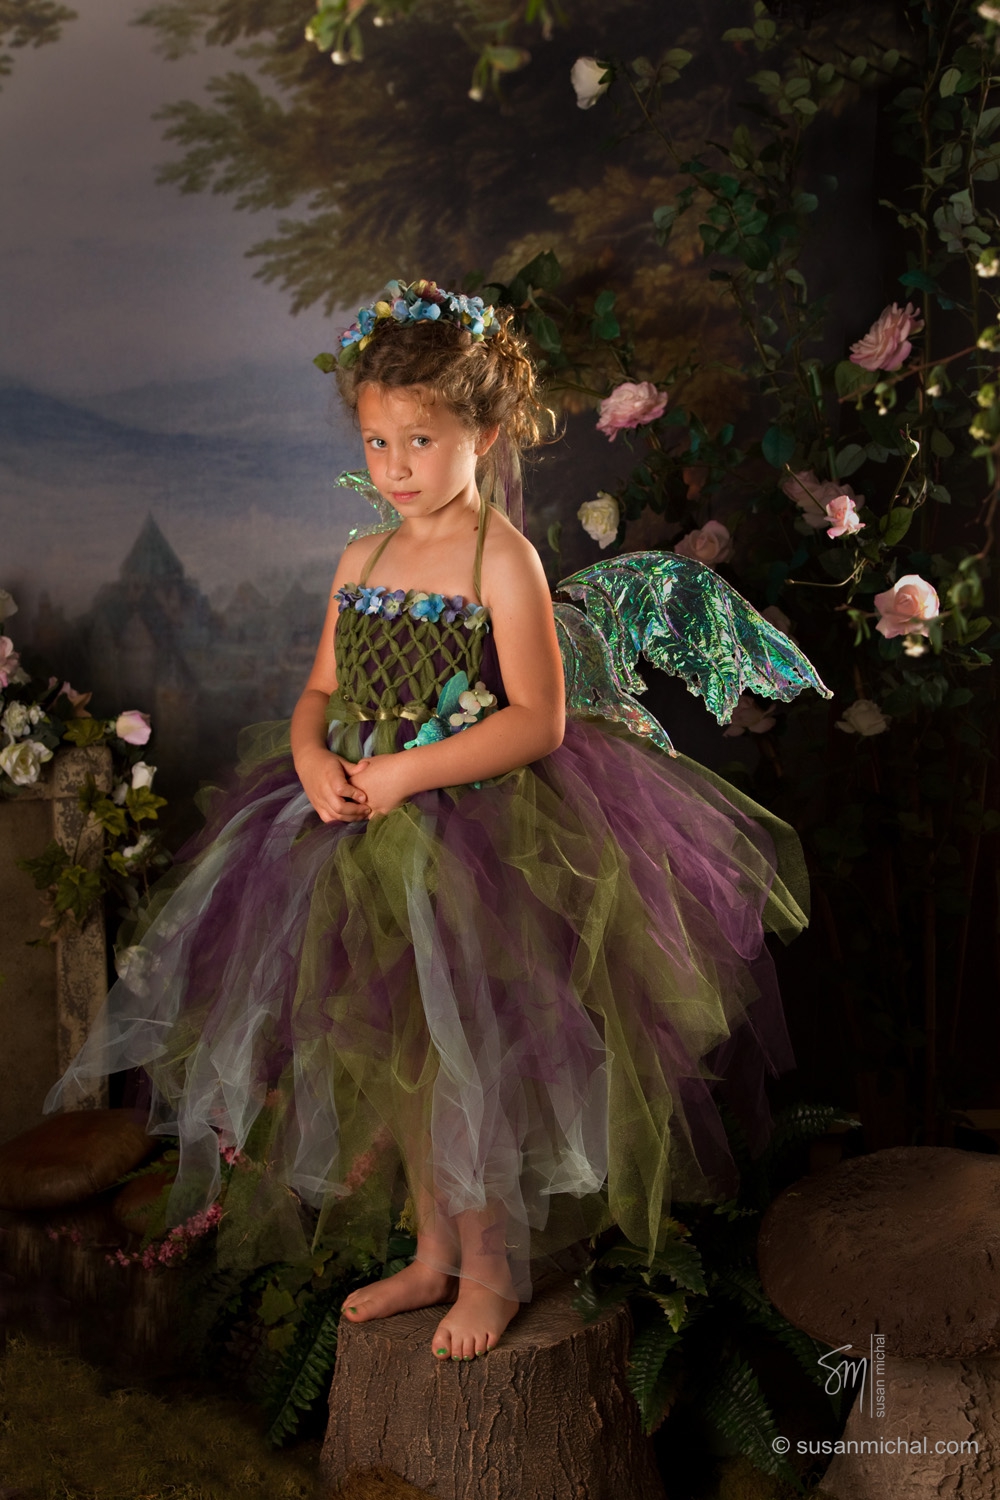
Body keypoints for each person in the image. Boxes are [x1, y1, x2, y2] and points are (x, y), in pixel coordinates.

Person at [47, 279, 815, 1365]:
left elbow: (539, 720)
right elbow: (320, 690)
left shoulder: (500, 556)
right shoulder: (361, 559)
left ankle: (493, 1267)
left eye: (421, 440)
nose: (396, 465)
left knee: (465, 1056)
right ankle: (430, 1250)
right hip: (354, 829)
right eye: (378, 442)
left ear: (483, 436)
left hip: (476, 834)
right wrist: (310, 756)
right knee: (395, 1048)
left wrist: (408, 773)